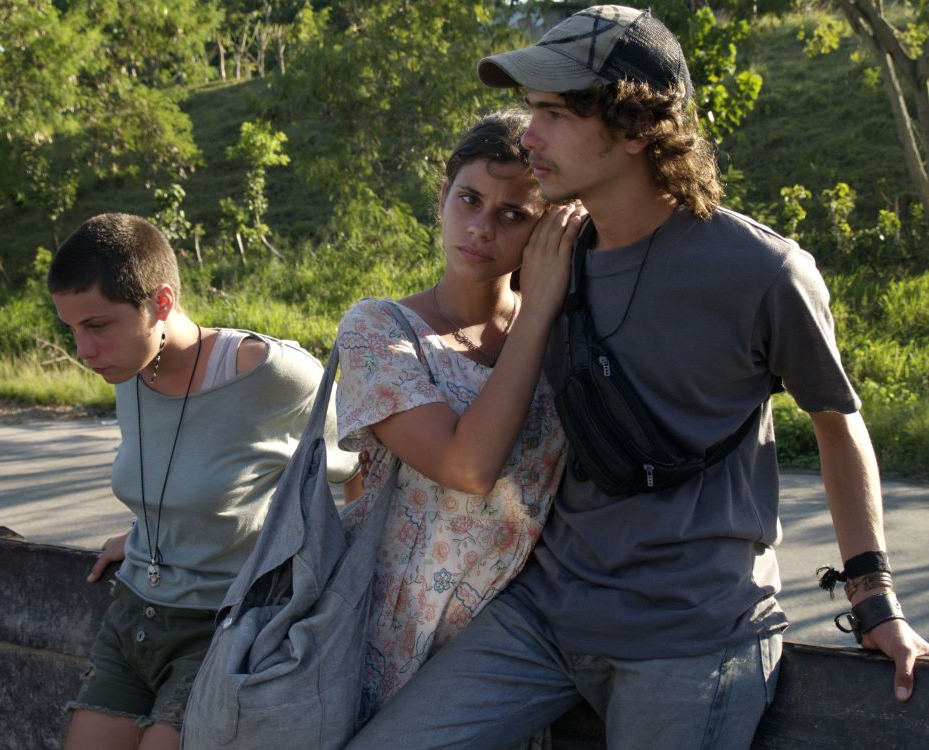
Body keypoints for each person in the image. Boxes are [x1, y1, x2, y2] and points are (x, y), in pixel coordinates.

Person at [344, 6, 929, 750]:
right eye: (533, 111)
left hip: (694, 635)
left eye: (555, 113)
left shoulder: (762, 272)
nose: (530, 135)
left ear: (636, 127)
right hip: (545, 618)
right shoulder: (550, 254)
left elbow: (838, 424)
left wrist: (875, 599)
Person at [47, 213, 361, 750]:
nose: (83, 351)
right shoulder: (129, 368)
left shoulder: (270, 376)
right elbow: (177, 474)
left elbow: (362, 466)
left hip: (223, 627)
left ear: (161, 303)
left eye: (97, 326)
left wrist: (351, 587)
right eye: (71, 329)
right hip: (134, 618)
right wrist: (147, 534)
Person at [333, 110, 583, 722]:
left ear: (545, 231)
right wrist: (540, 305)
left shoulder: (568, 340)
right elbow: (466, 466)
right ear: (442, 197)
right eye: (468, 199)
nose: (480, 228)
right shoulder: (379, 329)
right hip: (388, 637)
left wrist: (544, 309)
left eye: (513, 215)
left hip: (512, 646)